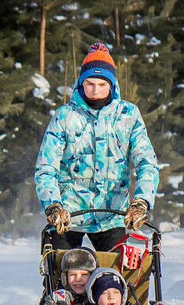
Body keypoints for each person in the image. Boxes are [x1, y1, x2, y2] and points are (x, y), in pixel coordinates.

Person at [35, 42, 160, 252]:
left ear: (112, 85)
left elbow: (147, 162)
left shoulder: (128, 114)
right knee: (66, 272)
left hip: (111, 215)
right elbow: (46, 166)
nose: (95, 91)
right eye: (90, 83)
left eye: (102, 85)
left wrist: (141, 202)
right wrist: (53, 204)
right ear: (81, 83)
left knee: (115, 278)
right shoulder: (65, 116)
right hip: (68, 217)